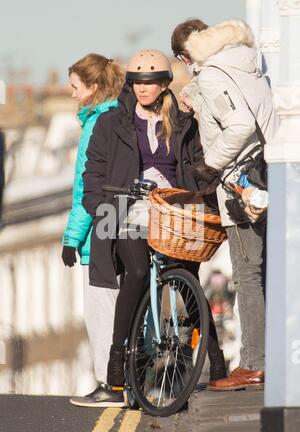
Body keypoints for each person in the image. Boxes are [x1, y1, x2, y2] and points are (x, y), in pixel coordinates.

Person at [83, 49, 227, 404]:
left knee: (186, 277)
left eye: (150, 82)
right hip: (125, 209)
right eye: (137, 82)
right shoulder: (110, 123)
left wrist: (203, 199)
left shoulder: (183, 123)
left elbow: (198, 167)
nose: (143, 88)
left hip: (173, 211)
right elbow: (94, 173)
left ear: (164, 84)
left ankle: (217, 360)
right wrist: (101, 206)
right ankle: (117, 366)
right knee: (134, 272)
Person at [171, 19, 278, 390]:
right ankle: (270, 357)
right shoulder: (245, 62)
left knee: (248, 274)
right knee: (268, 272)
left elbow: (239, 124)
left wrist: (209, 164)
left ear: (187, 54)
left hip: (240, 182)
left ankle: (253, 363)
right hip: (269, 174)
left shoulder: (215, 74)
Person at [61, 53, 126, 407]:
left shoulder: (95, 125)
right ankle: (129, 382)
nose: (72, 95)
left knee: (101, 313)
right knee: (125, 310)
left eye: (75, 87)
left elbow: (87, 188)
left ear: (93, 87)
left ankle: (108, 383)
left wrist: (72, 239)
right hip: (125, 225)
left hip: (96, 235)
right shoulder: (124, 117)